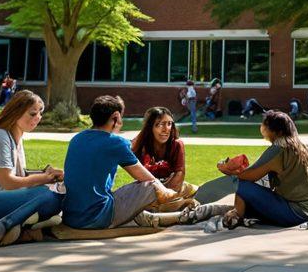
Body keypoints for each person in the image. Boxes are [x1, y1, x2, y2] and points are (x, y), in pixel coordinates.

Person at [61, 95, 208, 230]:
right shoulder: (115, 142)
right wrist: (167, 191)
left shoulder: (77, 139)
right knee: (152, 185)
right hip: (97, 217)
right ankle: (177, 201)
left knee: (141, 188)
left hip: (71, 218)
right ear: (115, 117)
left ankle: (164, 207)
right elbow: (145, 178)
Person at [0, 90, 65, 250]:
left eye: (40, 113)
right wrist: (45, 178)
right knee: (47, 194)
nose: (38, 117)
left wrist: (50, 174)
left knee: (60, 196)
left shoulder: (16, 137)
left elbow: (21, 176)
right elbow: (9, 182)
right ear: (16, 113)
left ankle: (22, 228)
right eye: (32, 114)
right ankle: (5, 225)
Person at [192, 110, 308, 229]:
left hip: (294, 213)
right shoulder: (297, 145)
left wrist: (227, 169)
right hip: (305, 211)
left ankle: (195, 201)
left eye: (265, 124)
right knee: (246, 188)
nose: (262, 127)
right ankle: (236, 213)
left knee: (238, 183)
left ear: (277, 131)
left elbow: (247, 176)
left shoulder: (279, 148)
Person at [130, 107, 190, 199]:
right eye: (161, 124)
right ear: (150, 127)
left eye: (169, 124)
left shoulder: (176, 144)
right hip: (147, 190)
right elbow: (138, 175)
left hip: (171, 191)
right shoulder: (139, 145)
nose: (166, 129)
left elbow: (180, 174)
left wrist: (165, 196)